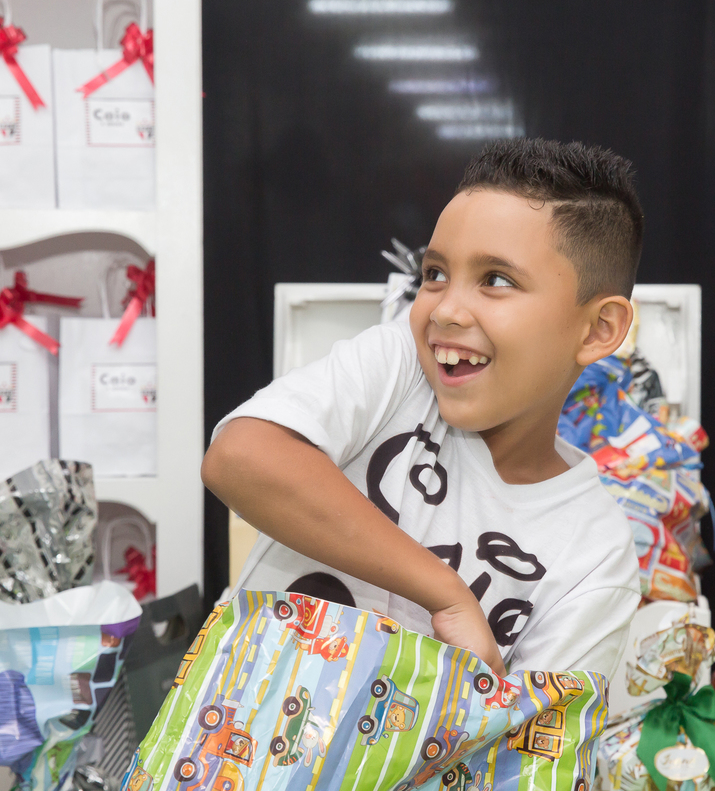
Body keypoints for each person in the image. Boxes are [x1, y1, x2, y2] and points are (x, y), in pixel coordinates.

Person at [202, 137, 643, 677]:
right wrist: (446, 593)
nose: (446, 310)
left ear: (598, 329)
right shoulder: (401, 365)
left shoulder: (595, 552)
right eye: (434, 274)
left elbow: (534, 729)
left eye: (496, 280)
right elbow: (238, 456)